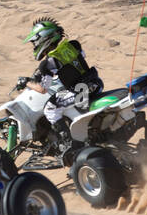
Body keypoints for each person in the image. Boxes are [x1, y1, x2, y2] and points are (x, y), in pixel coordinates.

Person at [18, 18, 102, 164]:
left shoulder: (48, 63)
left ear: (44, 38)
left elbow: (43, 88)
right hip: (95, 83)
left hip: (79, 92)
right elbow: (76, 62)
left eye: (34, 42)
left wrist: (27, 82)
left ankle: (68, 142)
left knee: (50, 108)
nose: (34, 45)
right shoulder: (74, 45)